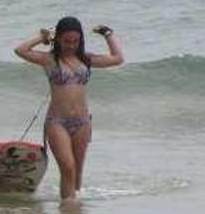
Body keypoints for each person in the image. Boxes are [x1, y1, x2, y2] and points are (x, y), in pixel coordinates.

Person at [14, 16, 125, 202]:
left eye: (75, 41)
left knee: (77, 172)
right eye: (66, 41)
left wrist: (108, 35)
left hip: (82, 123)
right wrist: (42, 37)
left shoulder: (87, 59)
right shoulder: (49, 60)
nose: (71, 45)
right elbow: (20, 50)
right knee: (67, 166)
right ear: (58, 39)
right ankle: (68, 207)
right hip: (57, 123)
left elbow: (118, 59)